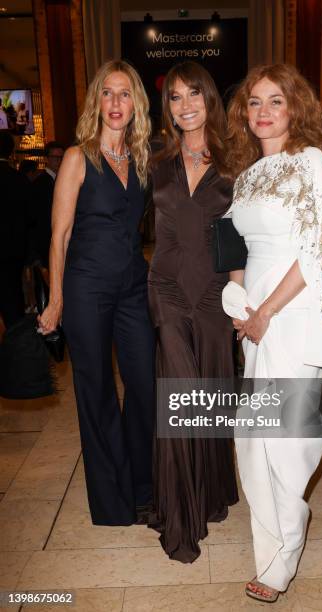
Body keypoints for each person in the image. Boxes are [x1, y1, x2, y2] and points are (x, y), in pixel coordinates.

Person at [224, 64, 322, 603]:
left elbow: (311, 252)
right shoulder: (247, 174)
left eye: (275, 101)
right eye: (254, 102)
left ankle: (285, 555)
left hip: (295, 311)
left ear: (295, 107)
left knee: (283, 441)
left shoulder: (310, 162)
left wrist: (266, 313)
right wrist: (239, 301)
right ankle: (271, 548)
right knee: (252, 438)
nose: (263, 111)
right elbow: (235, 247)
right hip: (255, 315)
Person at [37, 60, 155, 526]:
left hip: (133, 287)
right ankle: (112, 503)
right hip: (86, 288)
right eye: (107, 94)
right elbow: (59, 235)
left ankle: (143, 487)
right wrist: (57, 299)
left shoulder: (142, 159)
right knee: (97, 392)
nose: (115, 104)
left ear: (136, 105)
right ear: (96, 101)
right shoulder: (76, 157)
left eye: (125, 95)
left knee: (145, 386)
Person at [148, 61, 239, 562]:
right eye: (176, 97)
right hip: (165, 287)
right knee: (181, 394)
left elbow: (246, 235)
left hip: (215, 293)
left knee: (212, 392)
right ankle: (180, 519)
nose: (185, 106)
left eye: (194, 95)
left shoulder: (234, 161)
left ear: (209, 100)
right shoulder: (156, 161)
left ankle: (209, 494)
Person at [0, 130, 29, 327]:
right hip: (13, 252)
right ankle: (17, 350)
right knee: (13, 303)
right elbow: (30, 216)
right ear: (11, 152)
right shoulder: (20, 180)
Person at [31, 141, 65, 271]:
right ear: (47, 159)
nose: (59, 161)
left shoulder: (65, 179)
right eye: (55, 157)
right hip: (46, 243)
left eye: (61, 157)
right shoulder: (40, 184)